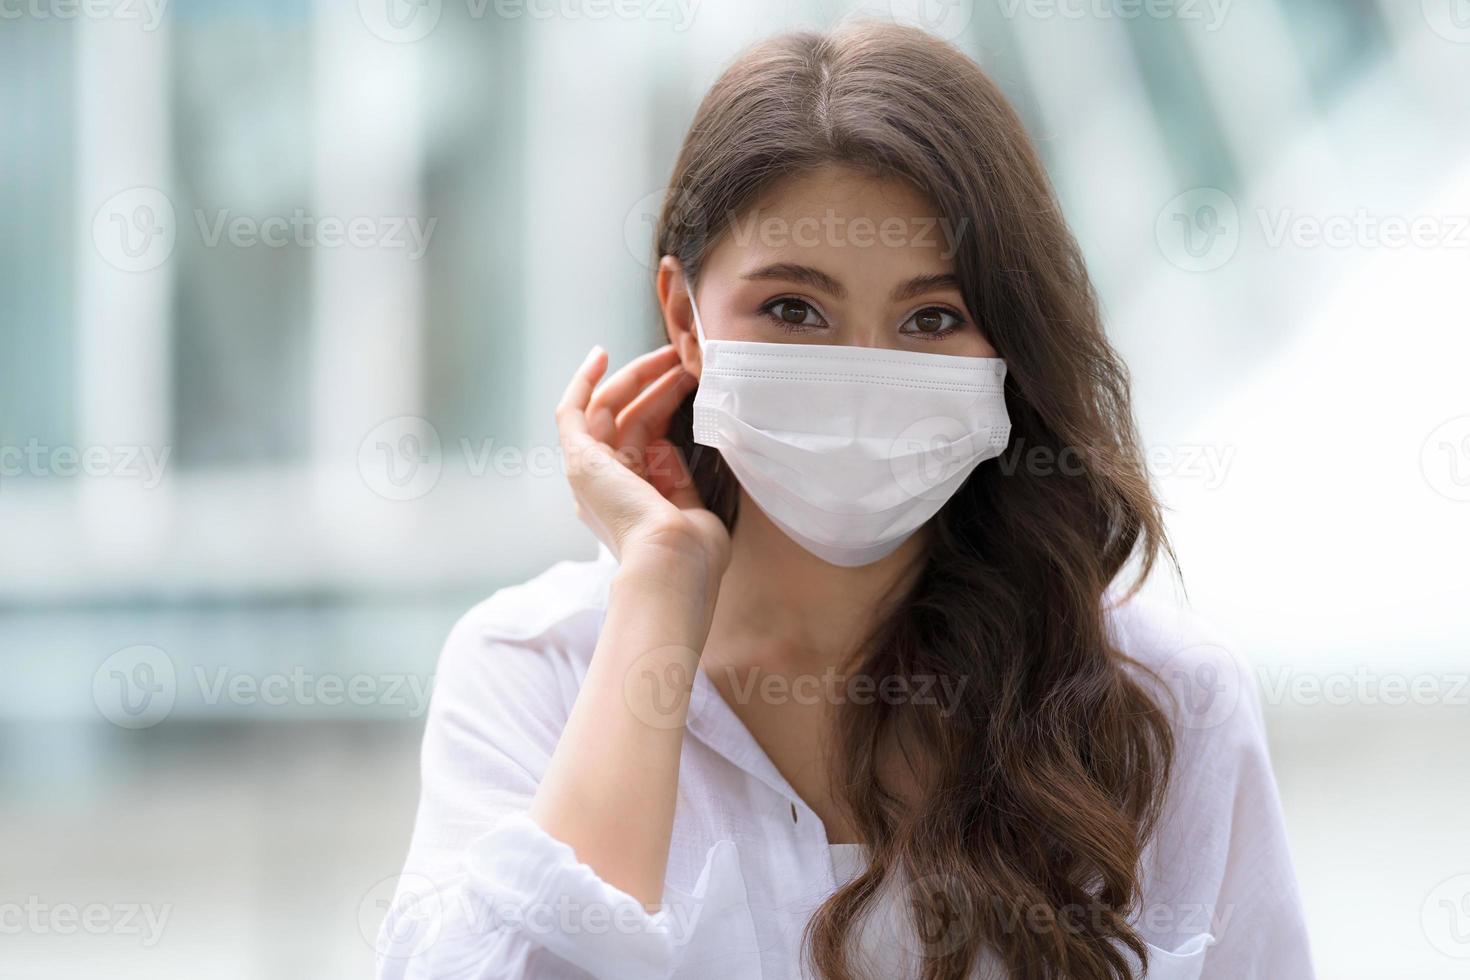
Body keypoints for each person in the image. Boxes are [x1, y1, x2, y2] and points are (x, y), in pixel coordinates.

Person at [377, 20, 1313, 980]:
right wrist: (659, 588)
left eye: (932, 318)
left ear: (1007, 347)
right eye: (793, 310)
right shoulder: (533, 674)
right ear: (683, 319)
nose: (865, 373)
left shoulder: (1164, 705)